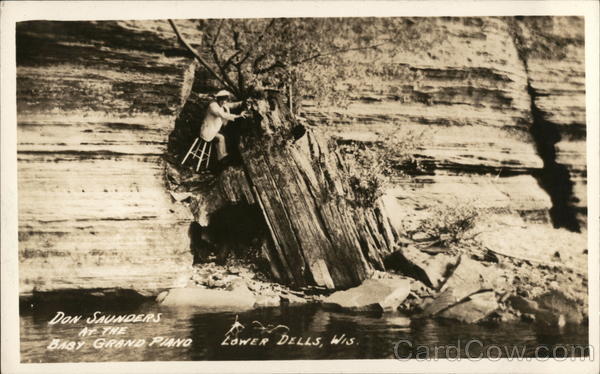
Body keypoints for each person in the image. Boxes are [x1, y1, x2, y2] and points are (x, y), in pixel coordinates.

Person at [199, 90, 247, 166]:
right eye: (222, 100)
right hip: (207, 131)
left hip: (214, 130)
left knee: (226, 136)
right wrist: (239, 116)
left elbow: (231, 105)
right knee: (221, 138)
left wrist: (242, 103)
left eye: (225, 101)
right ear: (218, 99)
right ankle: (222, 158)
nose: (224, 102)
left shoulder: (221, 104)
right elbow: (223, 115)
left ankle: (224, 157)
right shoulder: (213, 106)